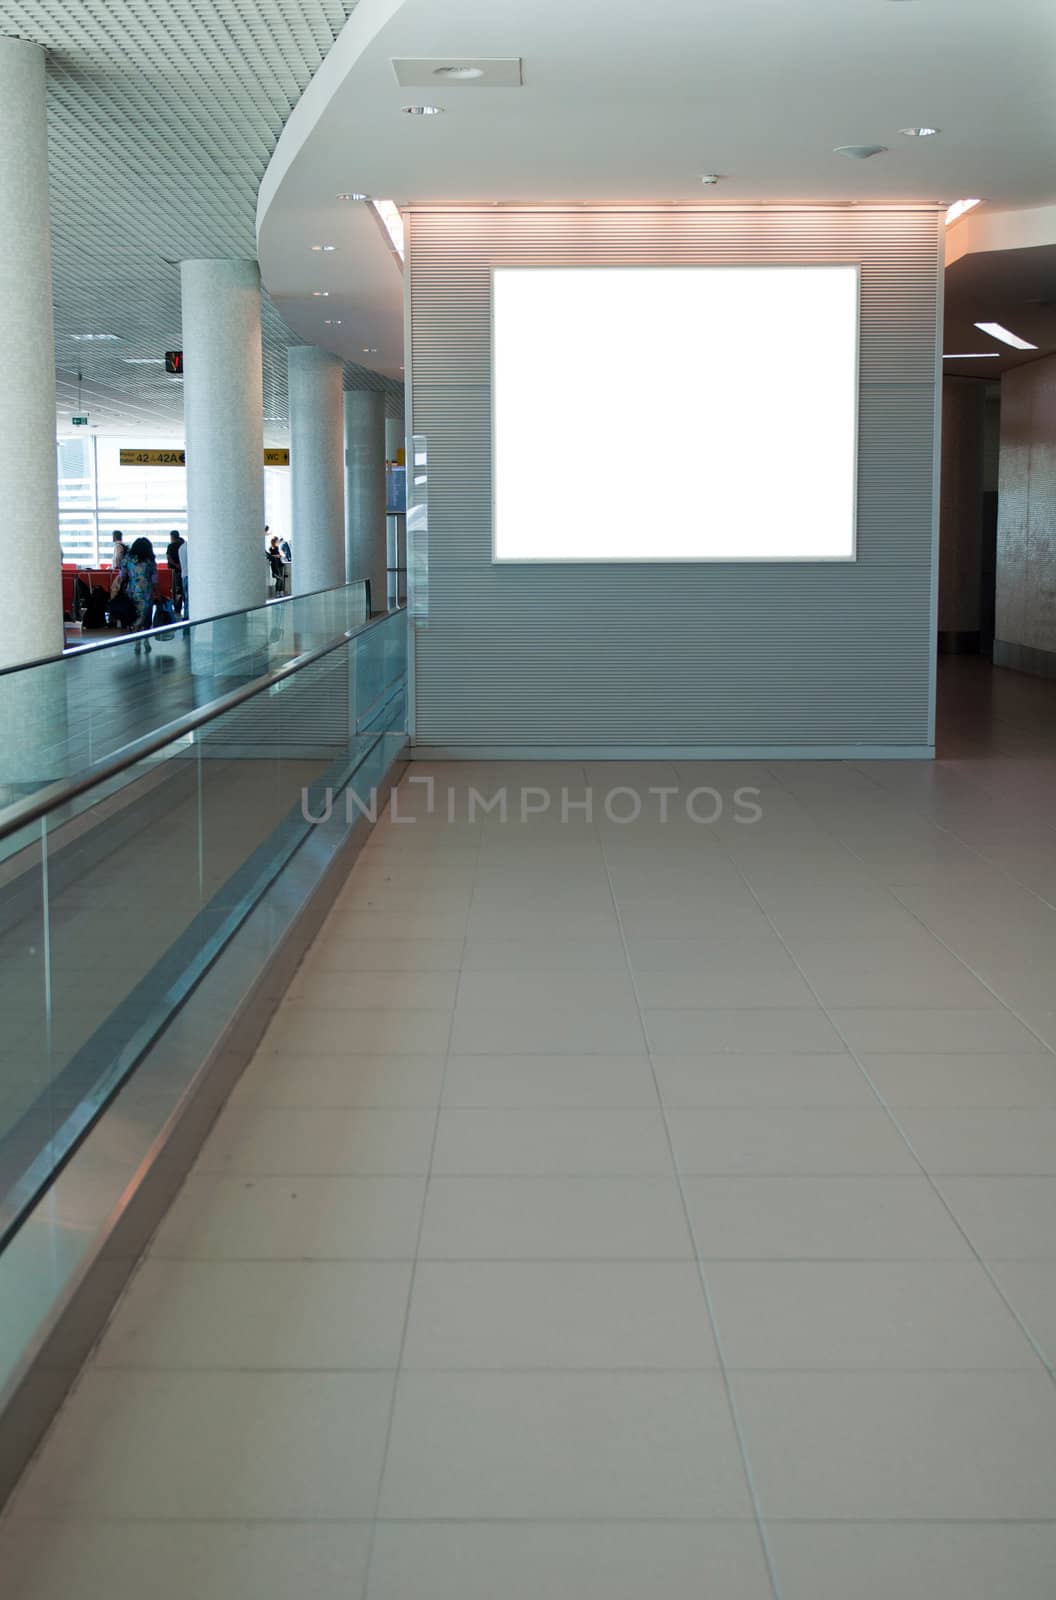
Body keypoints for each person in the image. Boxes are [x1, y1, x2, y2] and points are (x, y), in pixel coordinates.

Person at [120, 535, 158, 653]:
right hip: (146, 592)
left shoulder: (127, 559)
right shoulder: (150, 561)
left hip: (132, 591)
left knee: (135, 616)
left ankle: (137, 641)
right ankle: (146, 640)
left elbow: (122, 575)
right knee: (145, 617)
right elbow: (155, 580)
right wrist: (159, 594)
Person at [166, 529, 186, 618]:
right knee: (184, 590)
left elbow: (169, 557)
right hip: (185, 570)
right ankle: (186, 607)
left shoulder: (171, 546)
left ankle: (177, 609)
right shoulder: (183, 545)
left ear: (172, 537)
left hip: (175, 571)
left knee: (177, 590)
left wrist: (176, 565)